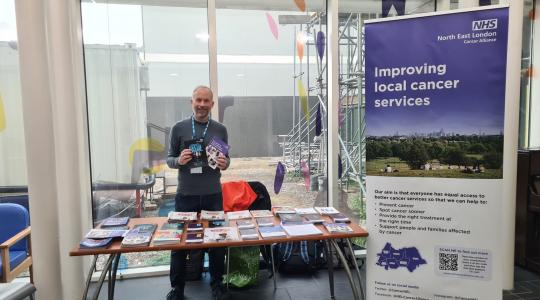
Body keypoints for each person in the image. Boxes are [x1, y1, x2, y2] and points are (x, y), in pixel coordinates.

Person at [166, 85, 230, 300]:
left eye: (206, 101)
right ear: (191, 102)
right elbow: (169, 159)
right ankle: (177, 289)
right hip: (186, 195)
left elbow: (226, 161)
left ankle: (217, 285)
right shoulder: (179, 128)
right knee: (180, 242)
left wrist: (224, 162)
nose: (202, 104)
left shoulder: (220, 129)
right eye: (198, 100)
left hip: (213, 195)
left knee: (217, 242)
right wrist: (178, 160)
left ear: (212, 104)